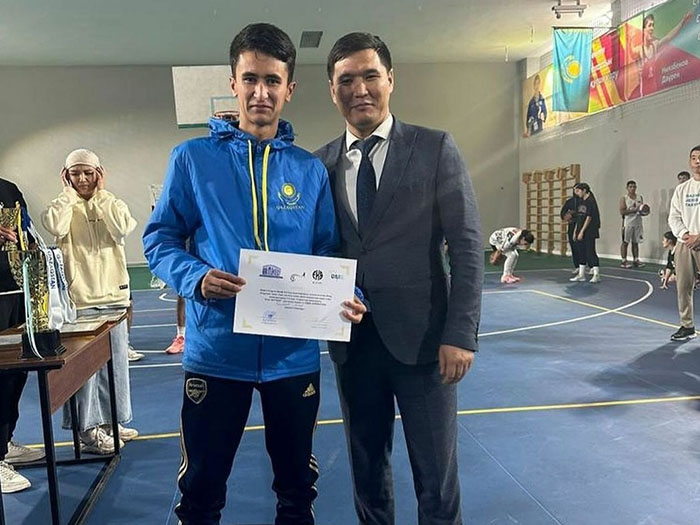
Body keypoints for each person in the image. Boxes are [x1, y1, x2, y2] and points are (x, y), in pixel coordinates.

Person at [142, 23, 365, 525]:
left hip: (293, 356)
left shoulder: (308, 170)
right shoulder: (192, 159)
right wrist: (196, 278)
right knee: (201, 490)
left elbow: (326, 250)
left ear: (290, 88)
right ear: (234, 83)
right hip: (217, 353)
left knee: (298, 489)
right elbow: (159, 240)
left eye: (272, 80)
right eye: (250, 79)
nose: (260, 92)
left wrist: (346, 293)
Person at [315, 33, 483, 525]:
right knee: (367, 475)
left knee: (436, 479)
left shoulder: (435, 148)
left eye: (370, 75)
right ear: (332, 90)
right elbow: (318, 251)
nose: (360, 89)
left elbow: (467, 247)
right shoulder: (318, 165)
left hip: (426, 345)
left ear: (390, 79)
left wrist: (460, 334)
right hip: (353, 347)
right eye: (347, 80)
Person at [42, 149, 139, 454]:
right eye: (75, 173)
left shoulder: (113, 203)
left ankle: (110, 421)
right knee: (85, 373)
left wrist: (103, 194)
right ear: (66, 176)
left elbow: (122, 228)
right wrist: (68, 196)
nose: (82, 179)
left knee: (116, 367)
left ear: (99, 173)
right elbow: (55, 226)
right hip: (81, 302)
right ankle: (87, 430)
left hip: (114, 298)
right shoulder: (61, 206)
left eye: (88, 172)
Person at [0, 178, 45, 494]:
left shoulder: (9, 189)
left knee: (16, 373)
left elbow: (27, 231)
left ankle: (5, 441)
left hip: (16, 291)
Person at [667, 145, 700, 341]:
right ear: (690, 161)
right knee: (683, 286)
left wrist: (699, 237)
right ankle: (687, 326)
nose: (697, 161)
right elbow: (674, 217)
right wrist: (685, 235)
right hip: (685, 244)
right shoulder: (682, 189)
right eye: (694, 158)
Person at [569, 182, 601, 283]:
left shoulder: (591, 201)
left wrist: (582, 231)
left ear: (584, 190)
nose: (577, 193)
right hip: (580, 230)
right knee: (581, 252)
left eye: (578, 191)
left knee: (590, 251)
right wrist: (575, 231)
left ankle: (596, 274)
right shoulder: (581, 202)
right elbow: (579, 217)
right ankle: (581, 274)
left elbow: (589, 217)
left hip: (589, 231)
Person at [619, 180, 645, 268]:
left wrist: (644, 211)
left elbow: (642, 210)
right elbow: (622, 211)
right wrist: (634, 210)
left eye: (634, 187)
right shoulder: (624, 198)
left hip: (638, 223)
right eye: (630, 187)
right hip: (628, 223)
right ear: (627, 188)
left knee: (636, 242)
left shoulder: (639, 197)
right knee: (625, 242)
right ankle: (624, 261)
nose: (632, 188)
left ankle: (636, 260)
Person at [561, 188, 582, 274]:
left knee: (583, 246)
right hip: (572, 225)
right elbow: (562, 213)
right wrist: (567, 216)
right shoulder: (569, 202)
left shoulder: (584, 201)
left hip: (582, 225)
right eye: (575, 190)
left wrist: (574, 213)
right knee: (573, 245)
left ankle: (589, 265)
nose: (576, 192)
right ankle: (577, 266)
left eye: (578, 190)